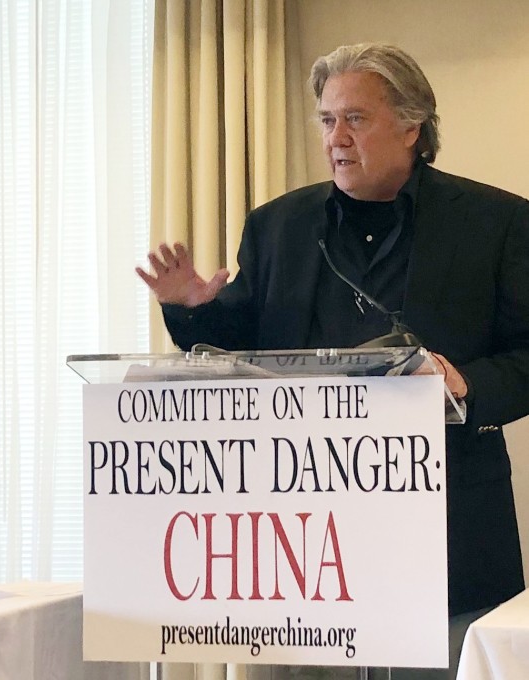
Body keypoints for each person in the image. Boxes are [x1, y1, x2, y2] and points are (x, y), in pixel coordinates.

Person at [137, 43, 529, 679]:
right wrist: (191, 309)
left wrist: (466, 383)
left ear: (412, 124)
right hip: (299, 544)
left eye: (355, 119)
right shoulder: (278, 226)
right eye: (326, 120)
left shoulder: (497, 223)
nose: (335, 138)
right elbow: (237, 355)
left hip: (447, 533)